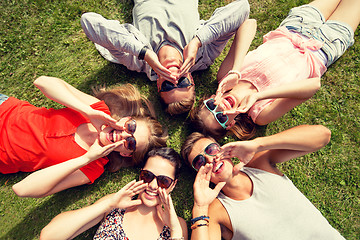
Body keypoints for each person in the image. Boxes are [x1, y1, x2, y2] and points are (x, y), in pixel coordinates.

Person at [190, 0, 360, 140]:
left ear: (211, 98)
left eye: (212, 106)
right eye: (221, 118)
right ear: (231, 124)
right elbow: (314, 85)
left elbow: (249, 24)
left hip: (297, 25)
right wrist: (257, 96)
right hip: (324, 47)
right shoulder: (260, 114)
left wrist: (236, 71)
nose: (221, 108)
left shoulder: (226, 76)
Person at [0, 76, 167, 198]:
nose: (123, 135)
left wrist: (86, 158)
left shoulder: (92, 167)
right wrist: (86, 110)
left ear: (125, 153)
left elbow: (22, 189)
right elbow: (42, 82)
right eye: (131, 127)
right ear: (126, 119)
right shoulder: (98, 110)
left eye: (130, 143)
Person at [80, 0, 250, 115]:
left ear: (158, 85)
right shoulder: (203, 56)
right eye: (182, 83)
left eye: (168, 85)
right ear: (191, 78)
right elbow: (242, 7)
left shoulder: (136, 61)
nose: (174, 77)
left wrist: (144, 53)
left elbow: (89, 22)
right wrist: (197, 41)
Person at [181, 125, 346, 239]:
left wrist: (257, 144)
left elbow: (323, 135)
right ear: (200, 174)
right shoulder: (216, 211)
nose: (211, 159)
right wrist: (200, 207)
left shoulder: (259, 164)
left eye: (211, 149)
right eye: (200, 162)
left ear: (222, 147)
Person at [40, 147, 188, 240]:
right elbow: (48, 236)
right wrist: (108, 204)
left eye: (163, 181)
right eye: (147, 176)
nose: (153, 185)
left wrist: (175, 230)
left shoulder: (176, 225)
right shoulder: (116, 205)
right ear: (140, 174)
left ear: (173, 185)